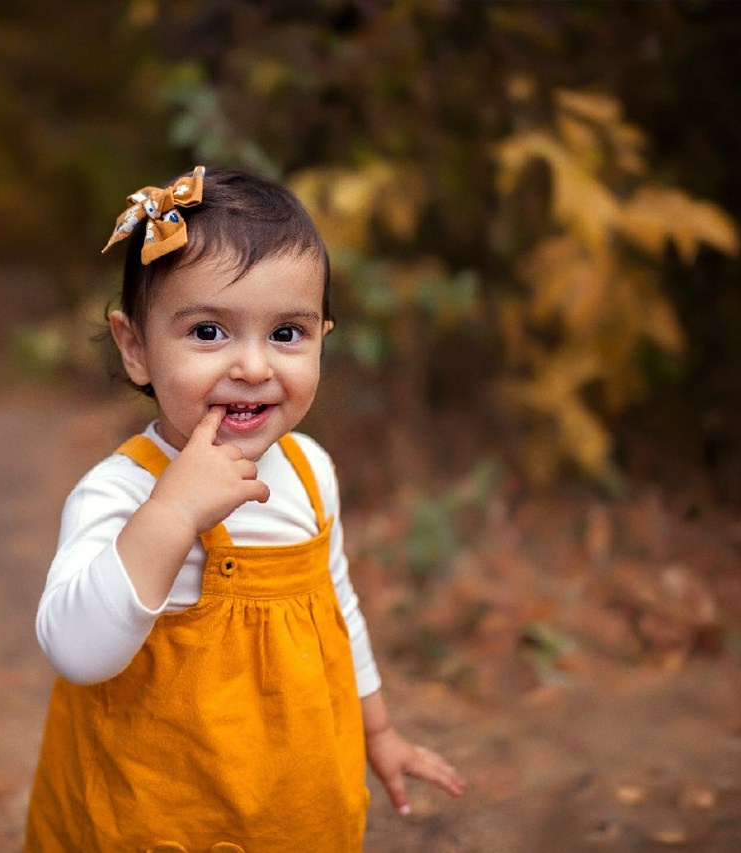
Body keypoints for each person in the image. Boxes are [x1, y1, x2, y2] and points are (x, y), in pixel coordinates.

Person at [25, 165, 465, 852]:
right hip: (159, 817)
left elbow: (336, 610)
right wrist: (173, 512)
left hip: (288, 807)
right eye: (209, 332)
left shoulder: (310, 473)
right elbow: (77, 651)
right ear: (136, 348)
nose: (254, 368)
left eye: (286, 334)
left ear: (322, 337)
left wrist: (376, 728)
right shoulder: (123, 492)